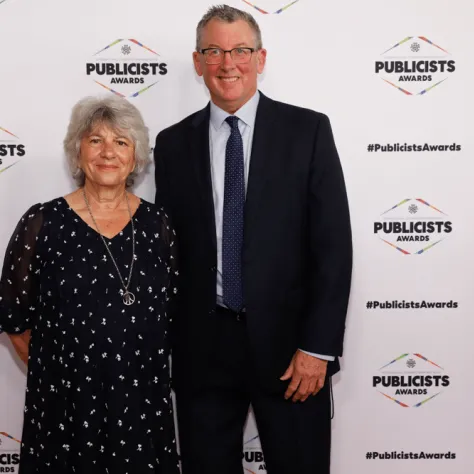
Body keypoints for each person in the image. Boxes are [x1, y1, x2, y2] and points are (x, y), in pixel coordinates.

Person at [154, 4, 352, 474]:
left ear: (261, 58)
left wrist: (317, 347)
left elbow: (333, 247)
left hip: (292, 354)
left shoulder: (308, 130)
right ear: (198, 61)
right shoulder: (171, 143)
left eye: (241, 50)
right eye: (215, 51)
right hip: (203, 351)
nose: (228, 64)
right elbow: (168, 251)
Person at [0, 96, 179, 474]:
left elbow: (174, 316)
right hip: (64, 405)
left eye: (121, 142)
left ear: (136, 157)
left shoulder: (158, 226)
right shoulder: (42, 222)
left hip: (140, 403)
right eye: (95, 140)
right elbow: (14, 319)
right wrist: (67, 370)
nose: (108, 152)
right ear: (77, 152)